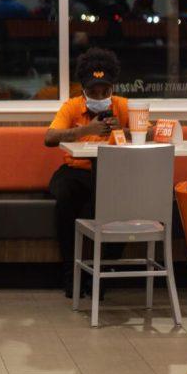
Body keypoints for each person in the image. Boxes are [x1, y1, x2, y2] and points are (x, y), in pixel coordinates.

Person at [43, 47, 130, 296]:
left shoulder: (122, 106)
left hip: (112, 173)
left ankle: (101, 275)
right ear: (84, 89)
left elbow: (151, 131)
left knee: (115, 202)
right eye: (93, 91)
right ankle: (72, 274)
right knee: (67, 198)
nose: (100, 95)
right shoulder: (72, 107)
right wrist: (85, 130)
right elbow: (49, 138)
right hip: (75, 170)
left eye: (105, 90)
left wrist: (121, 132)